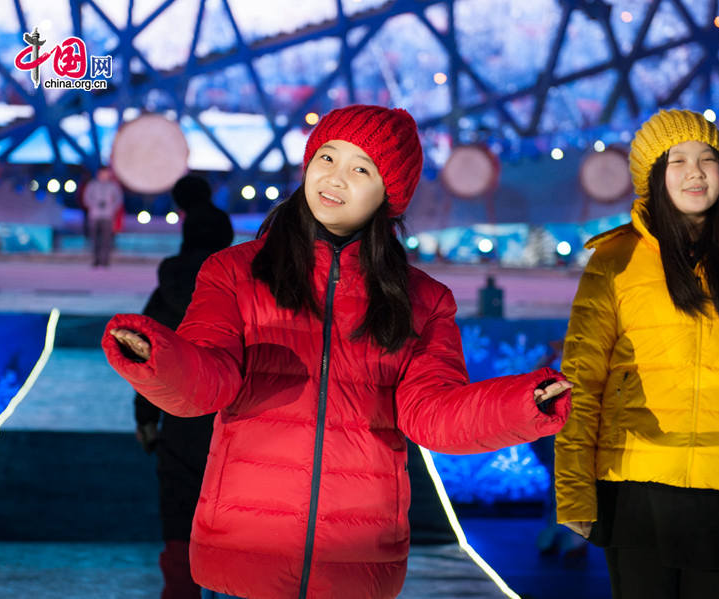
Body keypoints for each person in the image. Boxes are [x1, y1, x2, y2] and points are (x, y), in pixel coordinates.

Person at [102, 104, 573, 599]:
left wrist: (523, 404)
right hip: (247, 552)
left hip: (356, 559)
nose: (335, 178)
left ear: (389, 194)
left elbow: (432, 415)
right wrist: (158, 358)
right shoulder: (235, 273)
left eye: (360, 169)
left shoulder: (424, 302)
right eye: (327, 157)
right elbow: (206, 381)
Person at [555, 108, 719, 599]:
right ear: (651, 178)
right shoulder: (615, 260)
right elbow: (580, 380)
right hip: (637, 480)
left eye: (708, 158)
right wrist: (574, 488)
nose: (695, 171)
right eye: (675, 160)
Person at [134, 174, 234, 599]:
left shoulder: (171, 287)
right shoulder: (240, 292)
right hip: (232, 420)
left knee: (179, 510)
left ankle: (181, 589)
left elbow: (147, 354)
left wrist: (145, 419)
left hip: (178, 416)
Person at [82, 167, 124, 267]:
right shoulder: (92, 185)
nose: (104, 176)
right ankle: (96, 260)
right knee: (95, 239)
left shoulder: (113, 186)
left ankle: (105, 261)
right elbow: (86, 198)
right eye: (102, 174)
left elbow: (118, 200)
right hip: (95, 215)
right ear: (98, 174)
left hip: (108, 215)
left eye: (106, 174)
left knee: (106, 239)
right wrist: (93, 205)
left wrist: (111, 208)